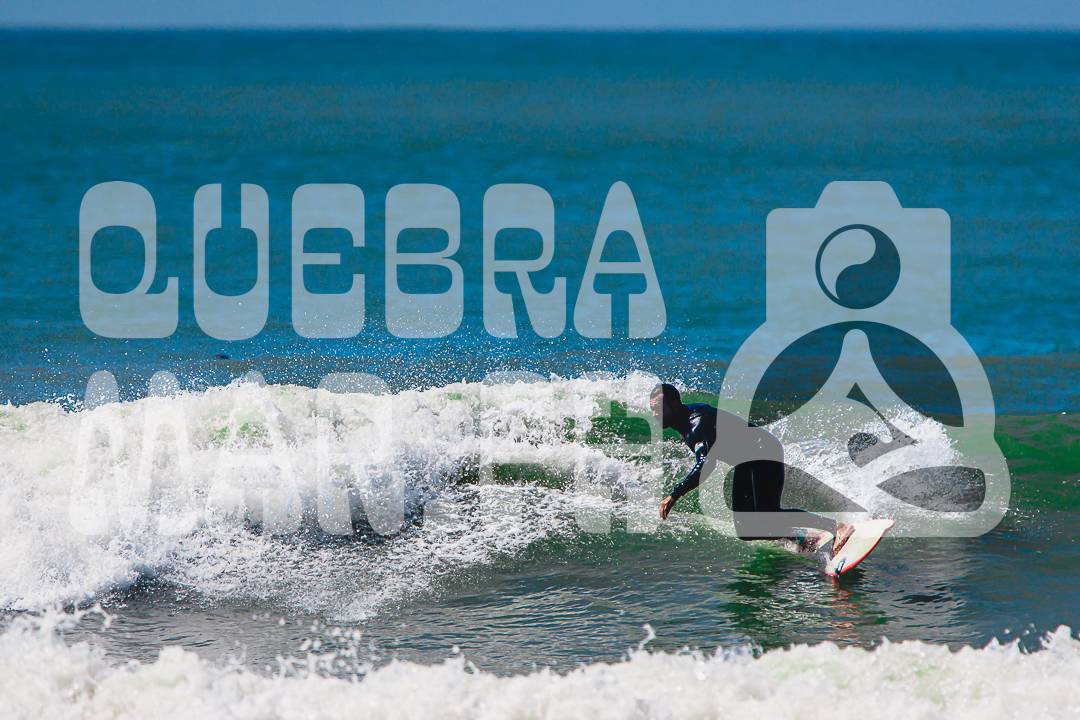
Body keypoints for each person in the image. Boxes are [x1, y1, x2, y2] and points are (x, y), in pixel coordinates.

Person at [650, 384, 854, 552]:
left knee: (769, 513)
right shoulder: (685, 419)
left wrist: (675, 494)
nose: (654, 414)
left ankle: (838, 527)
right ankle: (800, 537)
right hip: (745, 462)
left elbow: (707, 464)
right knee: (746, 530)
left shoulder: (696, 424)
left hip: (763, 451)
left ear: (675, 405)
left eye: (659, 408)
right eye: (652, 409)